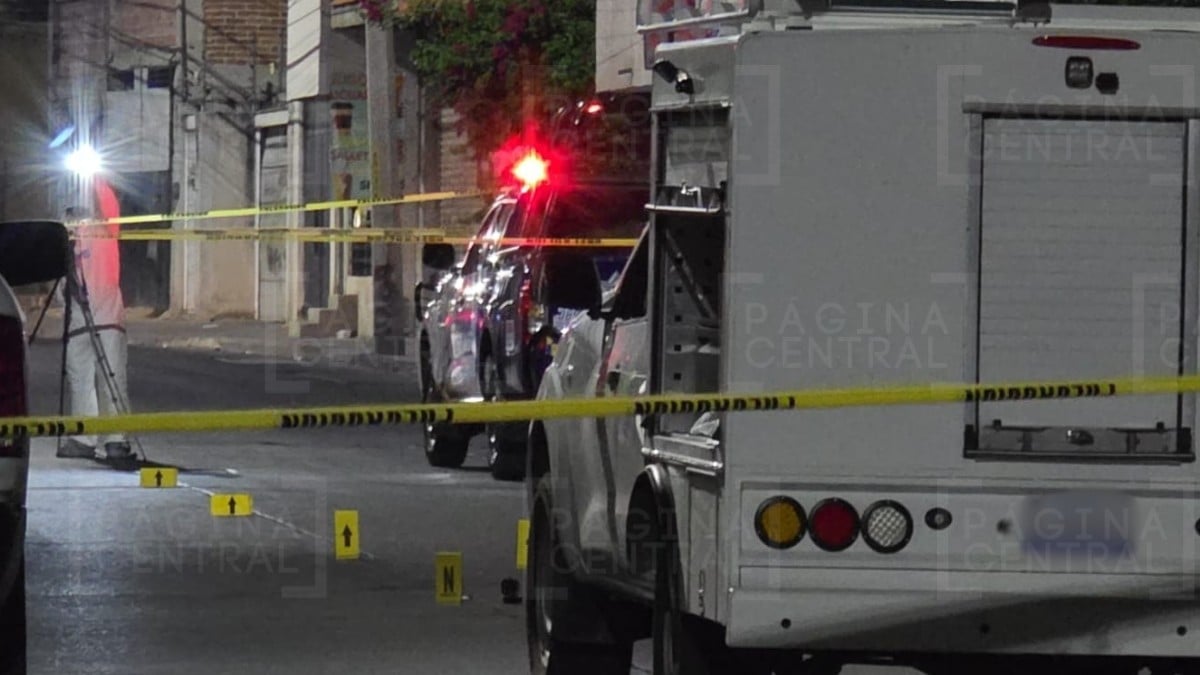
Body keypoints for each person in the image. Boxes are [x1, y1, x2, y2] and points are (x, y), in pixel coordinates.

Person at [56, 176, 134, 465]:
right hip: (77, 318)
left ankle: (116, 439)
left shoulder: (106, 228)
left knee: (112, 376)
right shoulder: (67, 235)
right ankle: (83, 437)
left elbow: (106, 201)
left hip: (106, 315)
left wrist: (93, 178)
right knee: (79, 377)